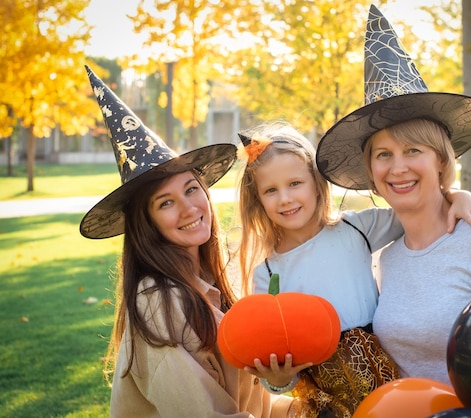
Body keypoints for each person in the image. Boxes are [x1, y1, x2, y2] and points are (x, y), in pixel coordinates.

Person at [316, 5, 471, 386]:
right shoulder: (384, 260)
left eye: (413, 151)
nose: (398, 167)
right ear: (371, 171)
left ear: (441, 160)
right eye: (383, 155)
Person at [235, 121, 471, 416]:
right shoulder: (268, 273)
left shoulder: (355, 228)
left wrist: (457, 195)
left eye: (295, 183)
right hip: (326, 403)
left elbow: (419, 206)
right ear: (257, 200)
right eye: (270, 190)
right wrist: (279, 381)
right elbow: (278, 366)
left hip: (387, 386)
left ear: (316, 182)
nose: (285, 198)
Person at [81, 65, 304, 417]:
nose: (188, 209)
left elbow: (253, 402)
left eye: (191, 190)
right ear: (146, 222)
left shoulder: (215, 281)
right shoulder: (156, 303)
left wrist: (306, 407)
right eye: (165, 203)